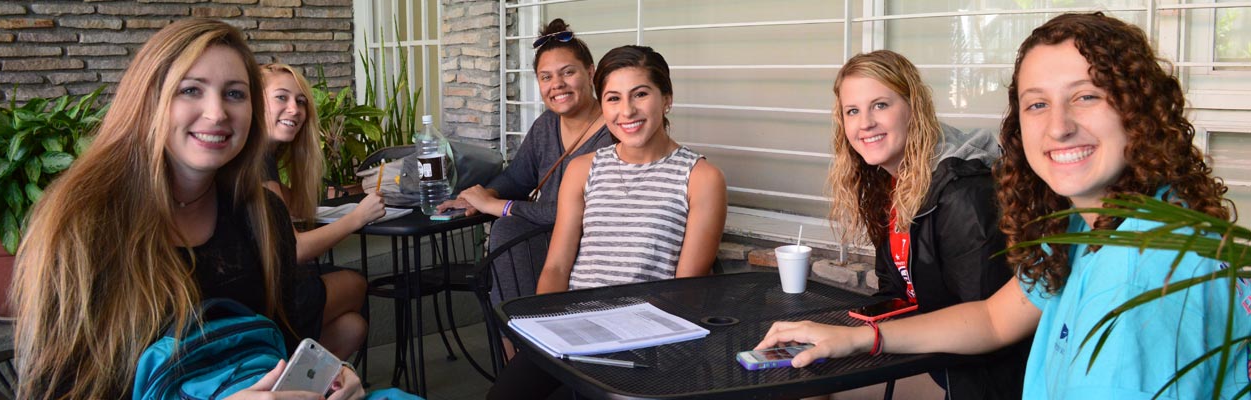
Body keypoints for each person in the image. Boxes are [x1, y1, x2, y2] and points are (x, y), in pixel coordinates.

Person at [756, 12, 1250, 399]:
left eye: (1086, 96)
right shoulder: (1094, 223)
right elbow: (994, 317)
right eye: (1037, 104)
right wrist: (861, 339)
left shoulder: (1144, 282)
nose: (1058, 127)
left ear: (1139, 108)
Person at [11, 19, 361, 399]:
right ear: (148, 99)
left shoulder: (261, 214)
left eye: (235, 94)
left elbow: (282, 344)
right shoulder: (81, 225)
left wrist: (328, 375)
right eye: (191, 90)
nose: (217, 113)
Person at [487, 44, 728, 400]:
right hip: (573, 329)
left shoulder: (700, 177)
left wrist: (620, 334)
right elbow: (555, 266)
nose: (627, 111)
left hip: (651, 339)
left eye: (641, 94)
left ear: (667, 99)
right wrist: (542, 329)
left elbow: (686, 291)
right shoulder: (583, 169)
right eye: (613, 98)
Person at [825, 50, 1026, 398]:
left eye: (881, 105)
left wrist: (862, 340)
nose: (865, 123)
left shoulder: (964, 195)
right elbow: (895, 291)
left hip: (985, 381)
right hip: (933, 359)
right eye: (852, 111)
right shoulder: (887, 182)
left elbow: (989, 329)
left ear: (913, 108)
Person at [438, 18, 615, 305]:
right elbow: (519, 177)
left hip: (592, 248)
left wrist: (498, 206)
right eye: (546, 77)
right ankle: (513, 341)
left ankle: (528, 331)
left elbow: (573, 214)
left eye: (568, 72)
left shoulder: (615, 131)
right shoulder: (546, 125)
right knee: (507, 230)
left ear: (590, 73)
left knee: (507, 226)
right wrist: (483, 195)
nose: (557, 85)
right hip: (548, 241)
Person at [262, 62, 380, 360]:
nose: (295, 109)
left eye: (301, 101)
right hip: (259, 299)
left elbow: (294, 206)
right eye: (281, 97)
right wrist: (358, 217)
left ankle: (294, 381)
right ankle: (277, 365)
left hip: (272, 287)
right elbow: (295, 249)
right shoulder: (254, 161)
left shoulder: (267, 159)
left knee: (352, 327)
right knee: (355, 284)